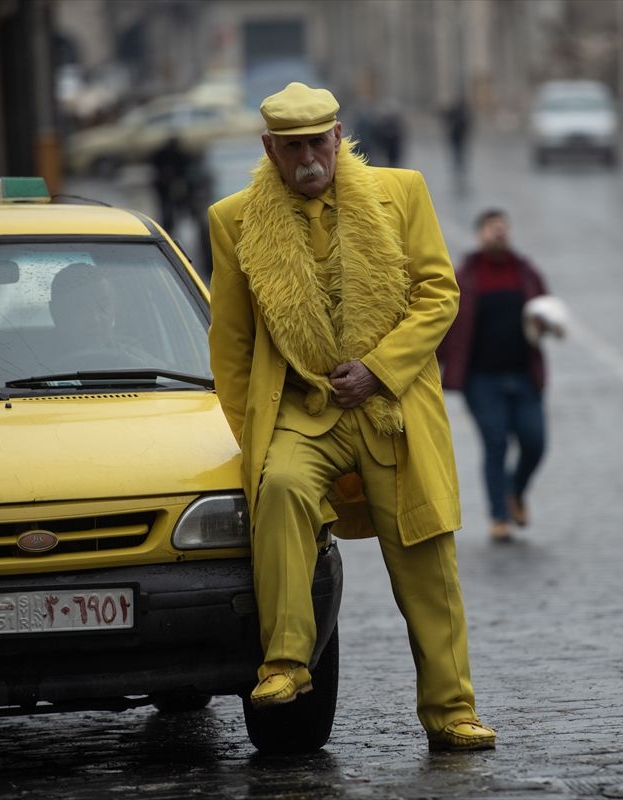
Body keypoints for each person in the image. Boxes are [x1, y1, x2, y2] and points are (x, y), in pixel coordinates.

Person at [207, 82, 496, 751]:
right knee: (278, 489)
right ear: (269, 150)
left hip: (390, 409)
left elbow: (437, 293)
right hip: (304, 415)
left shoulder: (403, 191)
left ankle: (452, 711)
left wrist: (380, 368)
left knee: (428, 557)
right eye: (294, 148)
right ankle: (284, 662)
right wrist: (253, 437)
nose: (309, 159)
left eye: (319, 143)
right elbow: (233, 347)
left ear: (339, 138)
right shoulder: (233, 219)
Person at [438, 209, 552, 543]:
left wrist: (547, 323)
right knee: (495, 442)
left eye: (503, 229)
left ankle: (515, 491)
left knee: (535, 442)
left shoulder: (526, 272)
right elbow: (444, 322)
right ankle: (499, 516)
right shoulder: (466, 276)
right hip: (481, 380)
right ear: (480, 235)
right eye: (491, 229)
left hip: (524, 375)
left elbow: (546, 310)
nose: (498, 234)